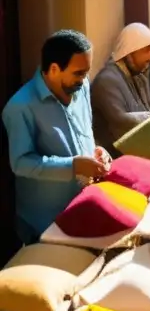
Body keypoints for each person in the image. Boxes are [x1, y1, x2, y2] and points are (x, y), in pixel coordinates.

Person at [2, 30, 110, 243]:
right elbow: (21, 163)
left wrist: (96, 151)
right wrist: (74, 165)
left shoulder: (82, 87)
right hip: (44, 224)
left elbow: (84, 130)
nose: (84, 79)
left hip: (83, 207)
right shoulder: (20, 107)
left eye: (86, 72)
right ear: (53, 69)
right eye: (78, 73)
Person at [91, 23, 150, 155]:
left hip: (140, 147)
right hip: (115, 156)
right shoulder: (106, 80)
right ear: (129, 52)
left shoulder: (138, 75)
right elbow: (121, 122)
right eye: (146, 50)